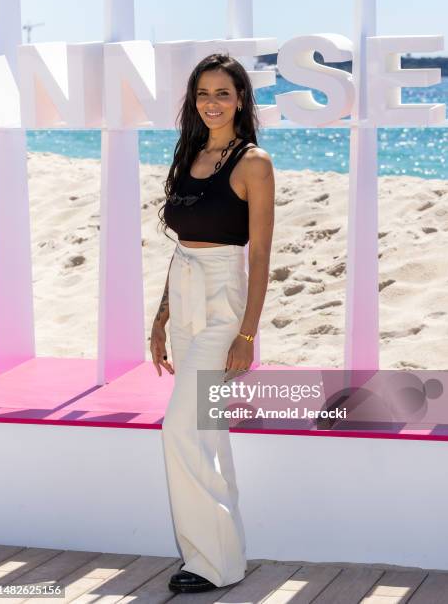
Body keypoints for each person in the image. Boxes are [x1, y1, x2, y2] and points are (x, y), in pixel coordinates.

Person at [150, 52, 274, 594]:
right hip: (184, 292)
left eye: (223, 93)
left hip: (224, 303)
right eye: (204, 93)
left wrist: (247, 334)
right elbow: (180, 247)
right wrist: (160, 319)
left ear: (241, 99)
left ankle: (208, 562)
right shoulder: (188, 154)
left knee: (179, 427)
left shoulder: (254, 164)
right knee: (207, 432)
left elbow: (263, 256)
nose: (212, 103)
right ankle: (221, 557)